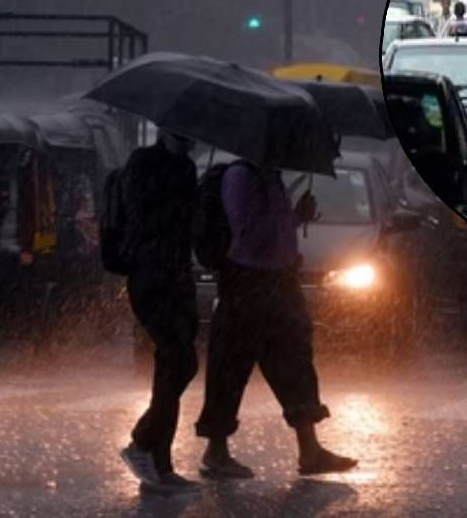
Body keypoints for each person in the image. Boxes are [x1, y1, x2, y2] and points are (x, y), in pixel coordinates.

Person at [195, 161, 357, 479]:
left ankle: (310, 450)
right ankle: (216, 451)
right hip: (248, 282)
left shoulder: (272, 178)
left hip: (280, 281)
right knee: (230, 366)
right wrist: (283, 221)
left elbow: (271, 230)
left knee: (295, 363)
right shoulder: (241, 177)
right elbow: (247, 231)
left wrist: (296, 217)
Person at [116, 130, 202, 492]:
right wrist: (180, 203)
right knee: (174, 358)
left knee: (181, 363)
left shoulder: (187, 167)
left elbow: (189, 228)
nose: (187, 142)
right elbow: (141, 215)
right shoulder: (142, 162)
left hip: (179, 274)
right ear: (164, 130)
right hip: (150, 274)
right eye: (180, 135)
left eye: (190, 136)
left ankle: (153, 453)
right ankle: (148, 449)